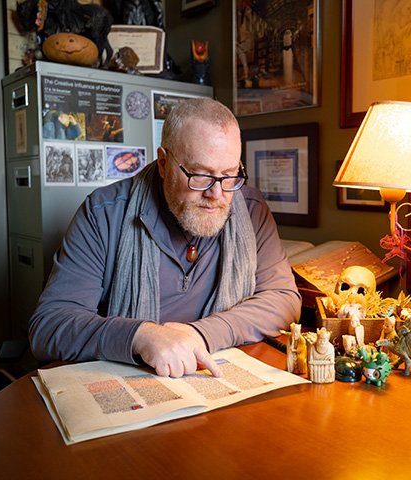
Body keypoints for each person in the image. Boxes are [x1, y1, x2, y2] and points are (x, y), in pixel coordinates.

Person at [29, 98, 301, 377]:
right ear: (163, 163)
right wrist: (140, 336)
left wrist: (201, 334)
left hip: (215, 377)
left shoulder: (251, 209)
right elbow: (49, 325)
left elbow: (283, 298)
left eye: (229, 175)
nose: (217, 195)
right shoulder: (103, 213)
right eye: (200, 175)